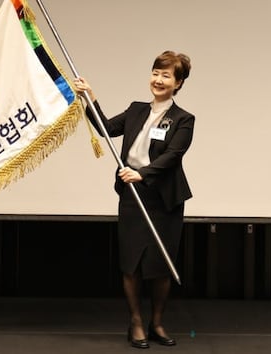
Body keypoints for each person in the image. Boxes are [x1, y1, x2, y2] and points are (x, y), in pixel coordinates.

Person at [74, 50, 195, 349]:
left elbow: (173, 155)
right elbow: (105, 129)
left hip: (164, 200)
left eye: (166, 75)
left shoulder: (183, 119)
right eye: (155, 73)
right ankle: (136, 322)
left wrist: (143, 173)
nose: (158, 80)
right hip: (132, 196)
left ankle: (157, 323)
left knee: (160, 264)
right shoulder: (136, 110)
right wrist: (90, 97)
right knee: (132, 262)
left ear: (178, 83)